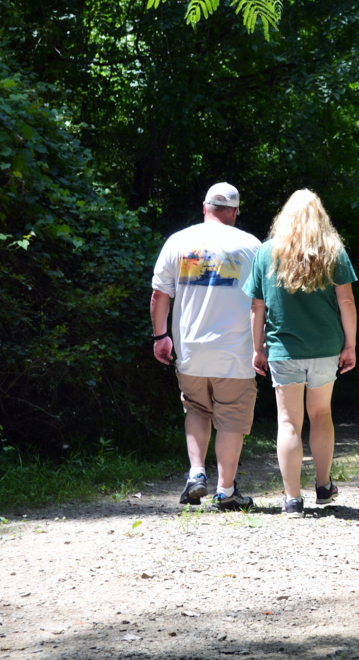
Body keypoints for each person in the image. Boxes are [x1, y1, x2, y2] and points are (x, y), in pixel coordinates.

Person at [243, 190, 358, 519]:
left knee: (289, 421)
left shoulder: (267, 253)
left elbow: (256, 305)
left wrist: (257, 348)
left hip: (283, 350)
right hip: (325, 347)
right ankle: (323, 486)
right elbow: (346, 302)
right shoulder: (332, 251)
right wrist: (350, 344)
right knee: (321, 415)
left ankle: (292, 500)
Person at [151, 182, 261, 510]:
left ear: (204, 207)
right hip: (236, 352)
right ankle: (226, 491)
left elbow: (159, 294)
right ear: (235, 212)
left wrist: (161, 337)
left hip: (190, 350)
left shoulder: (178, 241)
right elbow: (262, 302)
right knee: (230, 418)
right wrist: (261, 346)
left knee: (196, 409)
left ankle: (196, 475)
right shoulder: (251, 246)